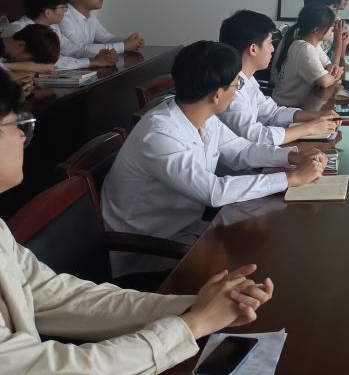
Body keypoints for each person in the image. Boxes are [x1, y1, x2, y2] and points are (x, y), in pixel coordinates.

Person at [0, 67, 276, 374]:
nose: (22, 135)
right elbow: (43, 368)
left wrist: (193, 307)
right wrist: (192, 325)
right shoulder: (160, 130)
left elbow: (60, 297)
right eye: (15, 123)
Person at [102, 41, 325, 276]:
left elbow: (240, 150)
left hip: (187, 228)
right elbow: (213, 191)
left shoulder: (199, 115)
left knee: (266, 245)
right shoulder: (159, 135)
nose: (238, 90)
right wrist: (290, 179)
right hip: (150, 250)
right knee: (264, 263)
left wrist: (291, 156)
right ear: (217, 94)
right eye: (236, 84)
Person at [218, 9, 341, 145]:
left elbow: (272, 113)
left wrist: (317, 115)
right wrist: (308, 128)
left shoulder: (248, 79)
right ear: (253, 49)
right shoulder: (230, 89)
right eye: (270, 43)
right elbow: (256, 136)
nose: (272, 49)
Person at [3, 0, 117, 70]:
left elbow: (71, 49)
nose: (65, 12)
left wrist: (99, 56)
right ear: (48, 12)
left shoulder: (52, 28)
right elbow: (52, 62)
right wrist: (93, 62)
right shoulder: (19, 29)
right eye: (63, 8)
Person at [59, 0, 144, 59]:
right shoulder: (63, 16)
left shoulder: (91, 16)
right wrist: (124, 46)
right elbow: (79, 49)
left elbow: (106, 38)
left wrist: (129, 42)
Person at [272, 5, 345, 108]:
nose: (333, 30)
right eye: (331, 27)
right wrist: (337, 76)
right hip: (286, 107)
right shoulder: (304, 49)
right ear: (316, 29)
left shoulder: (312, 45)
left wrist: (333, 71)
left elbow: (329, 66)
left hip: (297, 105)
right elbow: (324, 82)